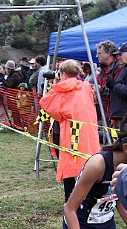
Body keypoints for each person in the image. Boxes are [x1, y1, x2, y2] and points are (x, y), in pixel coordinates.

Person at [39, 59, 101, 202]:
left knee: (68, 163)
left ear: (63, 74)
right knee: (88, 162)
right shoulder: (85, 86)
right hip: (87, 132)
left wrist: (55, 85)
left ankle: (70, 198)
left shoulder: (60, 89)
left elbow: (46, 103)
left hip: (69, 133)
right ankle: (89, 196)